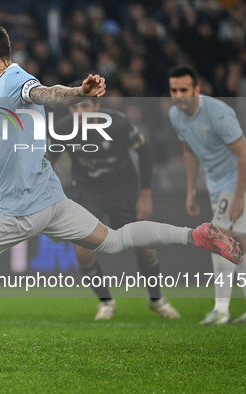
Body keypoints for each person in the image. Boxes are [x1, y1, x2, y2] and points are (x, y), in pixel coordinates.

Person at [0, 24, 242, 348]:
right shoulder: (5, 88)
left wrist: (76, 93)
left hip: (21, 212)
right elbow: (21, 139)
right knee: (114, 240)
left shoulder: (13, 81)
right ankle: (198, 236)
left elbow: (45, 93)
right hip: (51, 198)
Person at [51, 98, 180, 320]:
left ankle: (156, 299)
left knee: (144, 247)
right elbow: (48, 160)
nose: (80, 112)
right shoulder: (62, 128)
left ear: (96, 107)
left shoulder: (118, 123)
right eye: (75, 107)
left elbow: (145, 151)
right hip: (87, 191)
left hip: (123, 190)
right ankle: (106, 302)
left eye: (85, 106)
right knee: (81, 250)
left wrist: (145, 194)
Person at [168, 65, 246, 325]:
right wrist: (190, 189)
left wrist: (239, 196)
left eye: (184, 90)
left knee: (217, 237)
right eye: (174, 90)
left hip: (240, 182)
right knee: (240, 243)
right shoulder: (175, 115)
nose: (178, 96)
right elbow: (189, 150)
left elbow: (244, 154)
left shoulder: (219, 113)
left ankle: (221, 311)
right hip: (216, 185)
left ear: (196, 89)